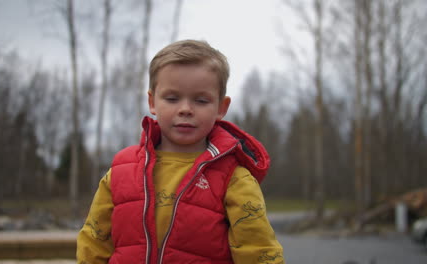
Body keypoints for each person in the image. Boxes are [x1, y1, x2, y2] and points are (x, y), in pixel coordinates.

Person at [77, 39, 285, 264]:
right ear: (152, 101)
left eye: (201, 100)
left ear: (221, 108)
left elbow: (257, 249)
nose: (185, 109)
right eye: (172, 98)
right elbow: (94, 241)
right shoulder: (121, 171)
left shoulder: (234, 179)